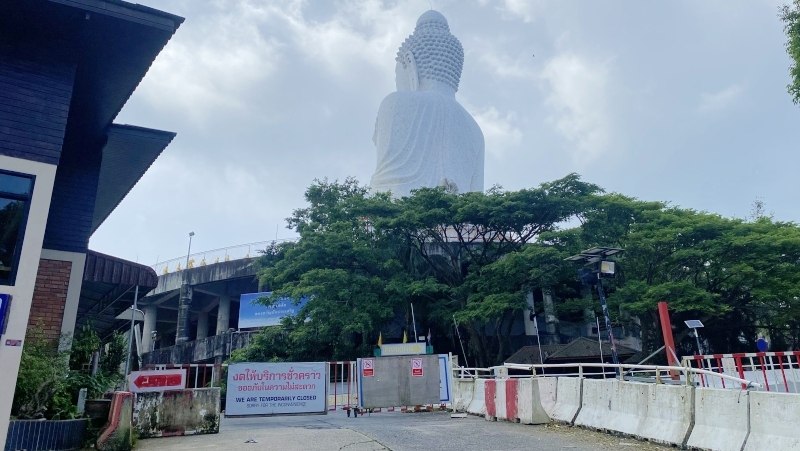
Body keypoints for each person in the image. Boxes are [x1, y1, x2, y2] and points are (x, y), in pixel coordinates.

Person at [370, 10, 484, 198]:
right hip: (457, 226)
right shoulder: (475, 131)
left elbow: (383, 188)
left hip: (398, 220)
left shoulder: (395, 103)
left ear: (410, 65)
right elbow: (475, 205)